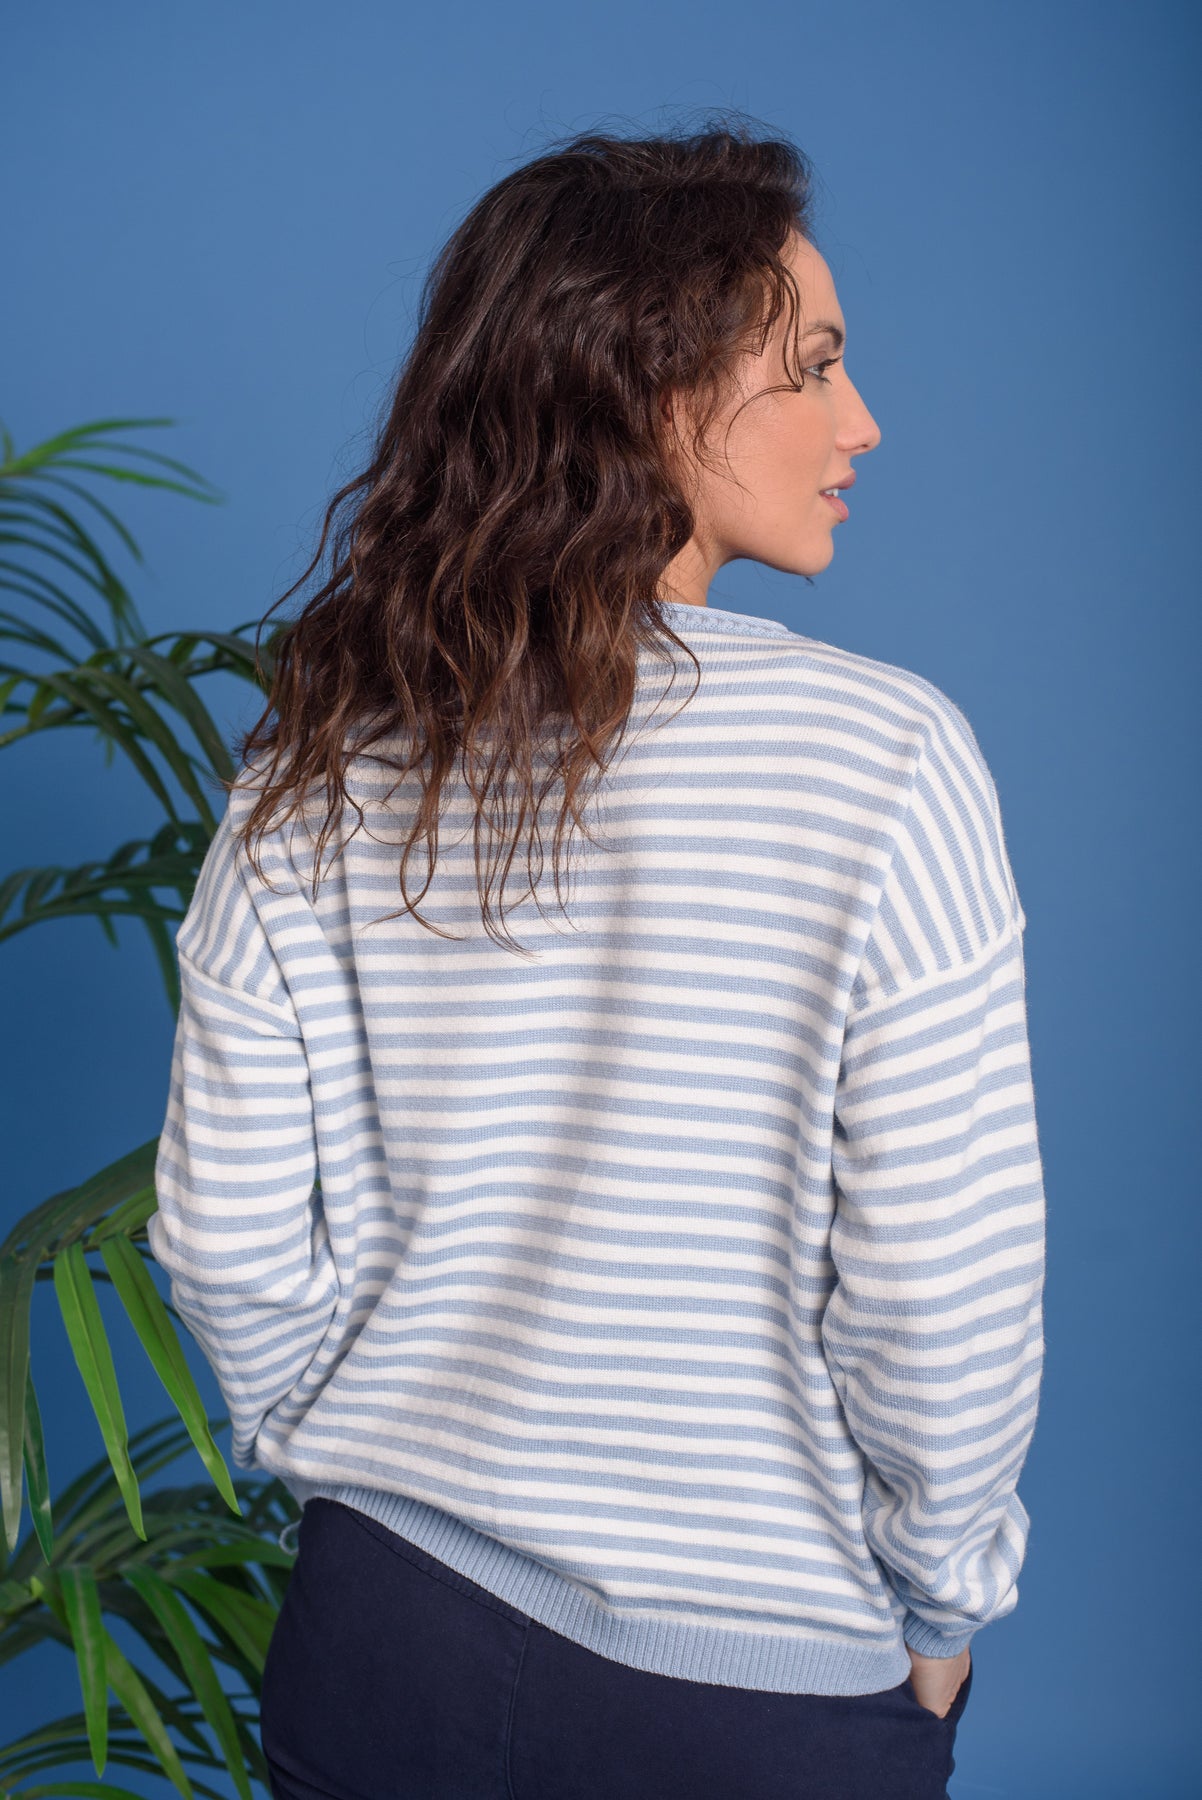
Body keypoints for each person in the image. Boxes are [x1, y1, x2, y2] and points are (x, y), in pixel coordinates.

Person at [148, 115, 1046, 1800]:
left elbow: (227, 1245)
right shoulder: (884, 760)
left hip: (380, 1637)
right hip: (746, 1696)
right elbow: (941, 1289)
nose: (860, 419)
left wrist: (363, 1470)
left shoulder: (318, 761)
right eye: (811, 368)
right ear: (651, 390)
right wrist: (944, 1601)